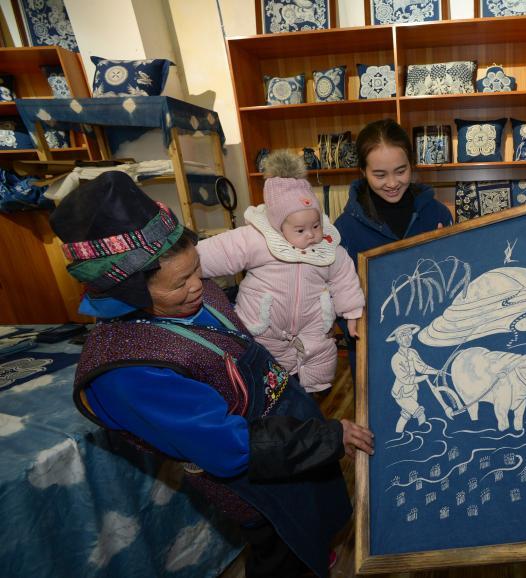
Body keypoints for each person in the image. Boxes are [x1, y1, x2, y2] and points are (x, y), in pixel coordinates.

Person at [50, 171, 374, 578]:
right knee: (280, 549)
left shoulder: (190, 293)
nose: (197, 286)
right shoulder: (128, 372)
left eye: (196, 271)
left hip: (290, 434)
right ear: (125, 293)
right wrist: (325, 438)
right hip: (259, 476)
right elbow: (229, 447)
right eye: (179, 283)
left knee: (314, 520)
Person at [198, 149, 364, 394]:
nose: (311, 234)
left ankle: (315, 398)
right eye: (300, 230)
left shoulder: (327, 248)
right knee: (268, 381)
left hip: (313, 326)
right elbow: (215, 252)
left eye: (316, 225)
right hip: (262, 327)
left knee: (318, 363)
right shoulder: (256, 240)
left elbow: (344, 278)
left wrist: (352, 312)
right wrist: (182, 265)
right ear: (278, 225)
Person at [334, 119, 453, 376]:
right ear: (363, 172)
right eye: (379, 174)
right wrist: (351, 323)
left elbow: (455, 280)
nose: (391, 183)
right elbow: (334, 294)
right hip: (374, 353)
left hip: (433, 341)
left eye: (401, 171)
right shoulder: (344, 229)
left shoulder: (437, 215)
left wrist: (449, 251)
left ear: (412, 164)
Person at [386, 324, 442, 433]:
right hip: (401, 394)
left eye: (409, 334)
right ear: (397, 339)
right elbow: (405, 379)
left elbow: (422, 367)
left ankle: (398, 434)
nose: (408, 338)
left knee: (406, 415)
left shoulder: (413, 352)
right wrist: (423, 378)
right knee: (420, 414)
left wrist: (436, 371)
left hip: (413, 391)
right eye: (403, 335)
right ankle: (426, 435)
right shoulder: (395, 359)